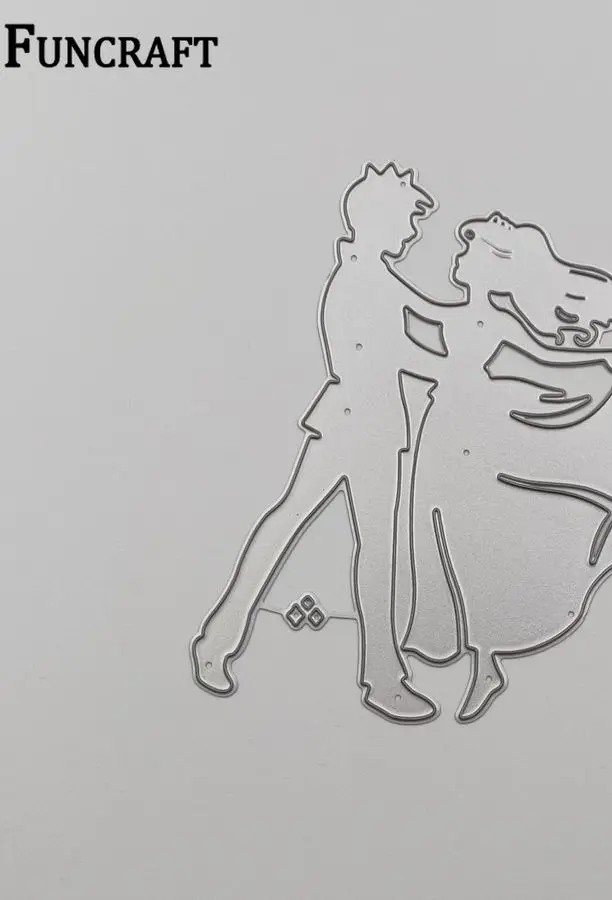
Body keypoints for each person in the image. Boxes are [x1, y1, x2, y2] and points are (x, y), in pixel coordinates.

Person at [190, 162, 463, 721]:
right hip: (359, 426)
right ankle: (376, 676)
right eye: (408, 220)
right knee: (336, 538)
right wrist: (463, 358)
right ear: (379, 218)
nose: (413, 232)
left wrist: (480, 320)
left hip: (364, 425)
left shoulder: (374, 278)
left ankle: (225, 642)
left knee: (317, 531)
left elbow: (436, 318)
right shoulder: (364, 282)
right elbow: (404, 350)